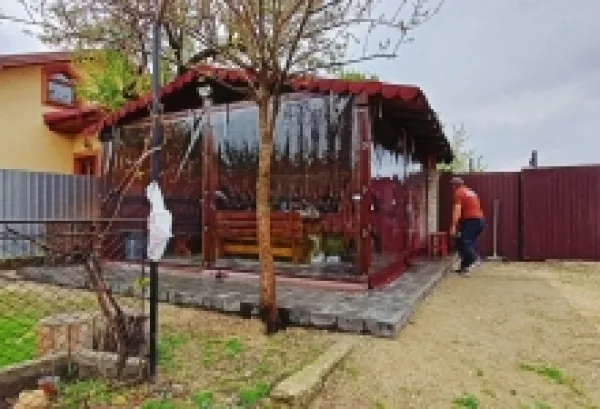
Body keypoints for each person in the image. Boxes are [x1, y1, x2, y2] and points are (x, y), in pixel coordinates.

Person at [449, 176, 485, 276]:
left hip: (471, 221)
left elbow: (457, 210)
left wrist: (453, 226)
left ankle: (475, 259)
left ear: (454, 186)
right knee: (464, 243)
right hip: (480, 221)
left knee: (464, 242)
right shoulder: (470, 191)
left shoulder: (459, 193)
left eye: (452, 185)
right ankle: (464, 268)